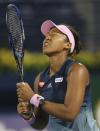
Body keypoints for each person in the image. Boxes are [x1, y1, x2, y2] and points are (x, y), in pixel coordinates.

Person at [16, 20, 99, 131]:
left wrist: (33, 98)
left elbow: (70, 113)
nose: (47, 38)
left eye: (54, 35)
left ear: (67, 45)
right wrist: (28, 116)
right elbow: (41, 123)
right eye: (47, 36)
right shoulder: (40, 79)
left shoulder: (77, 70)